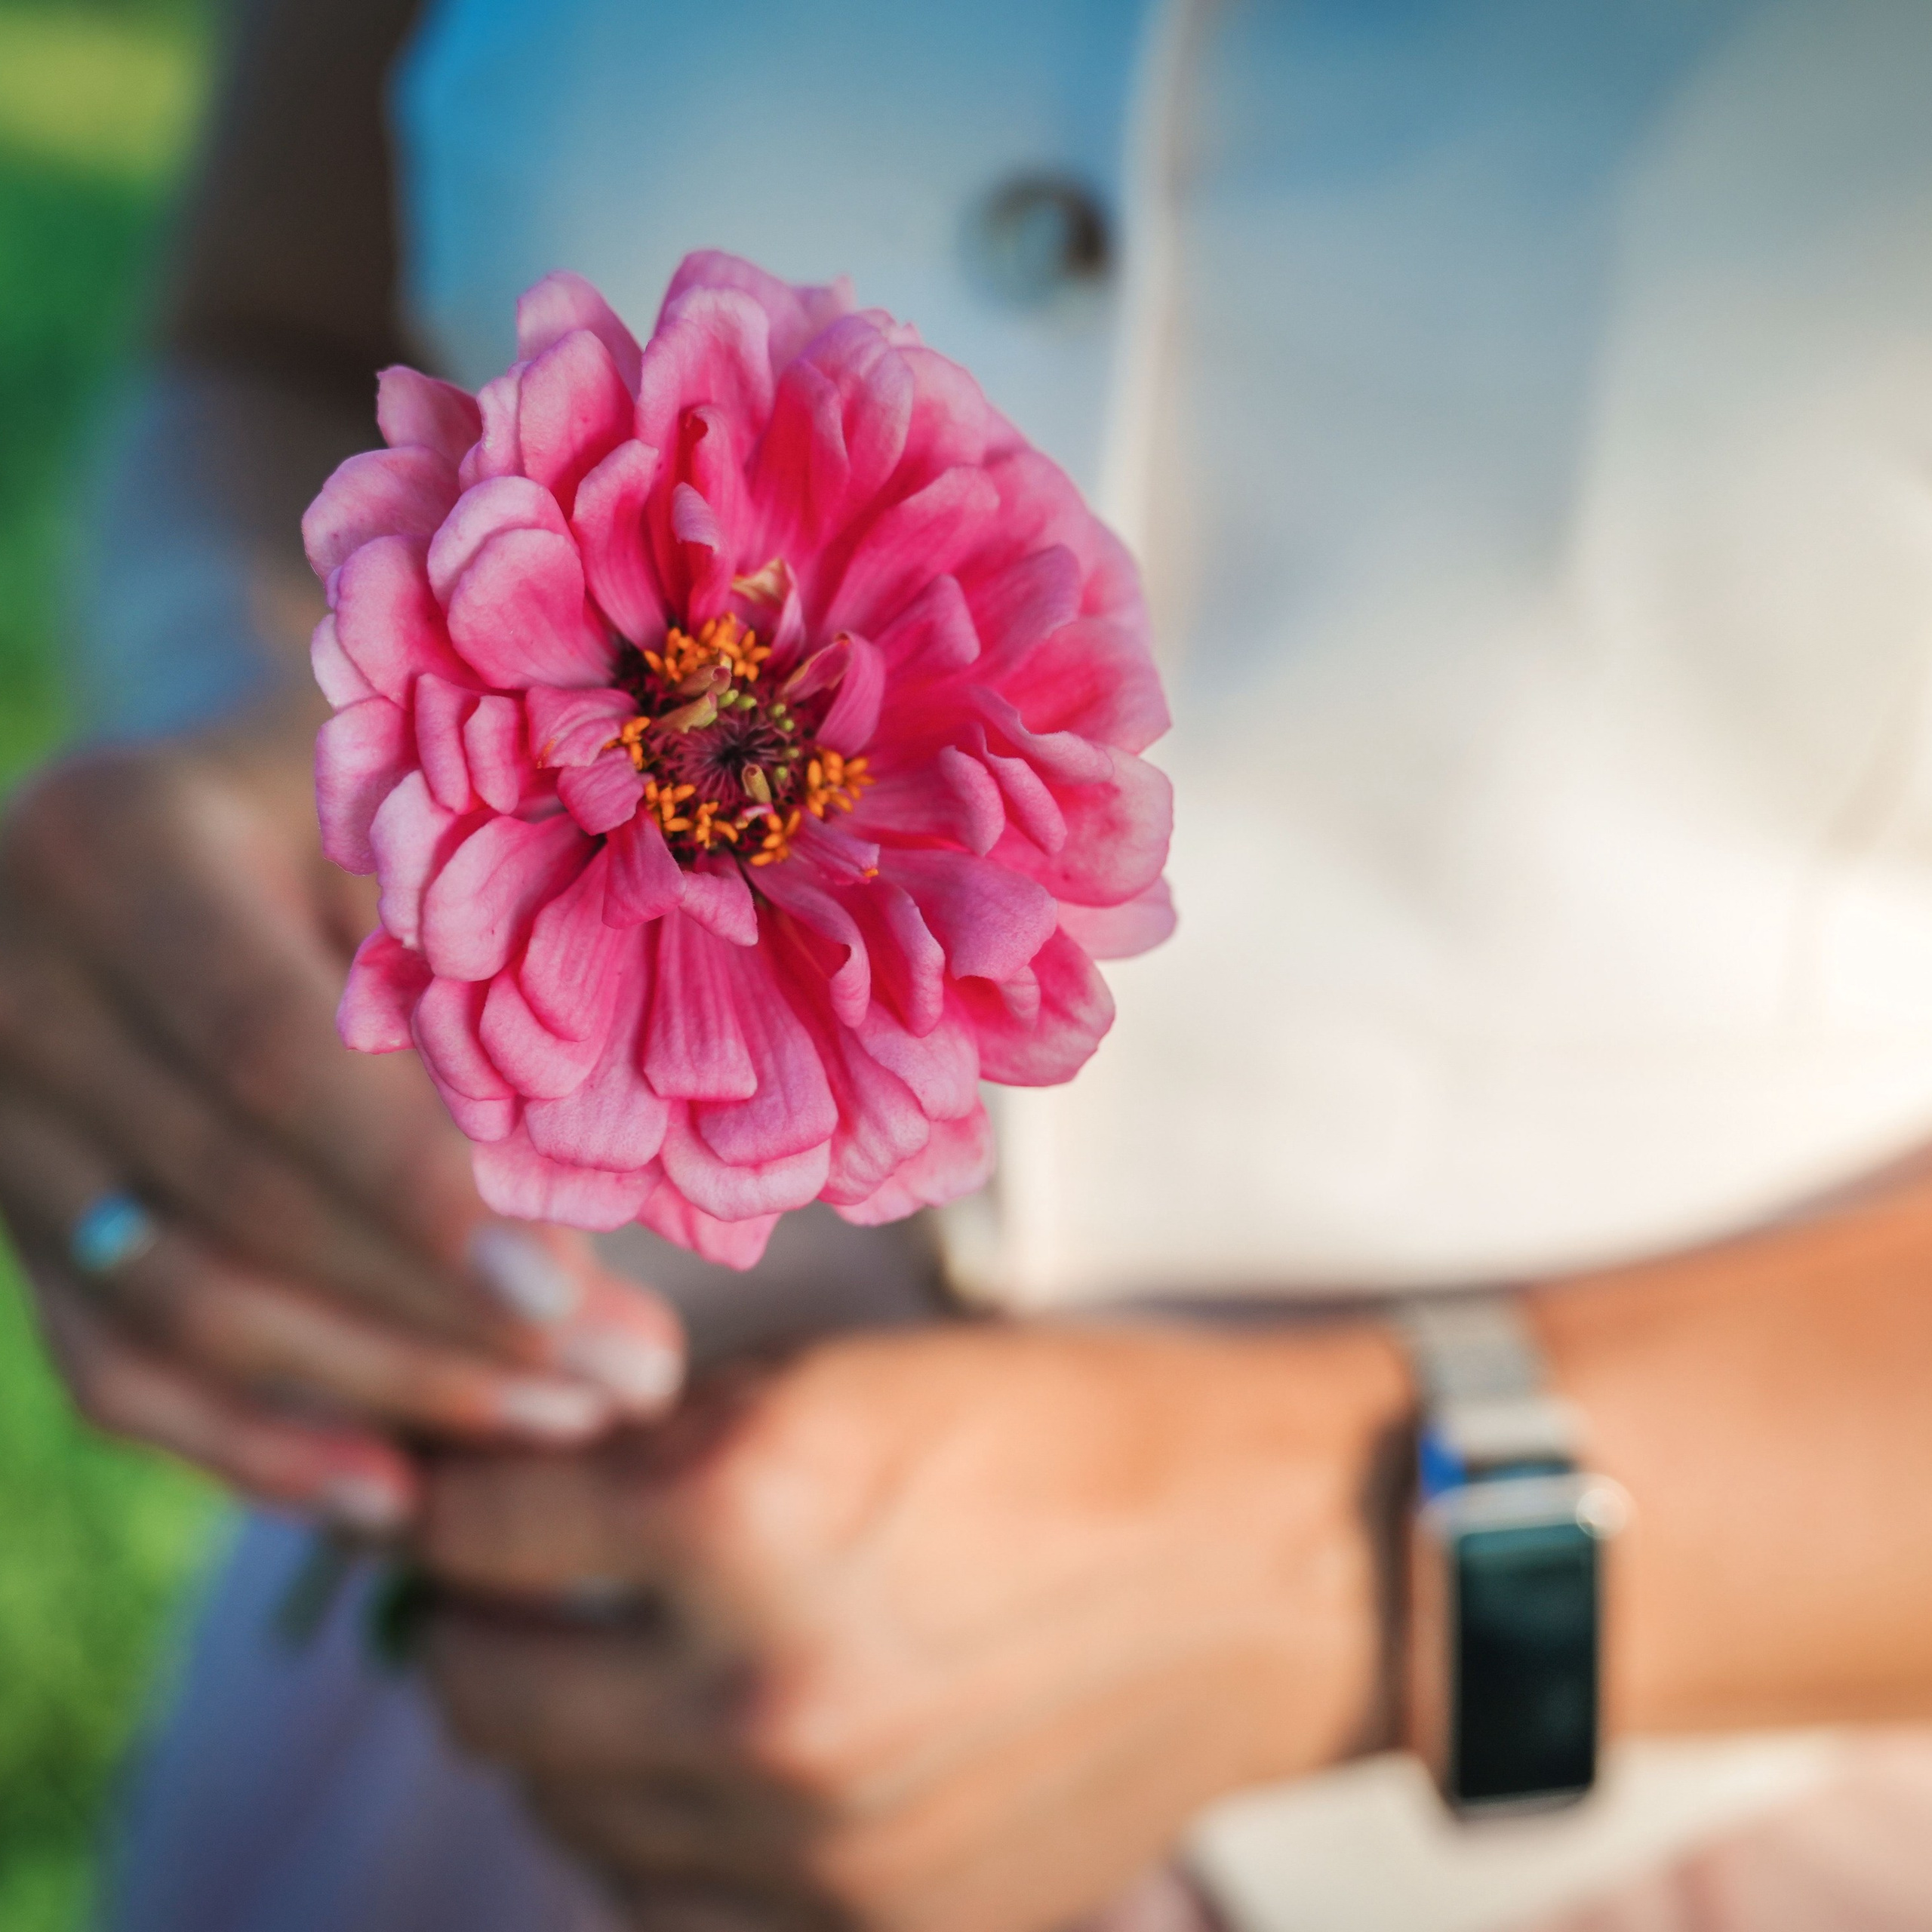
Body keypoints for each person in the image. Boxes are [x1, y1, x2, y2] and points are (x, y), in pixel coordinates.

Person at [8, 0, 1932, 1927]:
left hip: (1629, 1794)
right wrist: (249, 716)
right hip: (504, 1694)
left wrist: (1319, 1560)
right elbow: (264, 340)